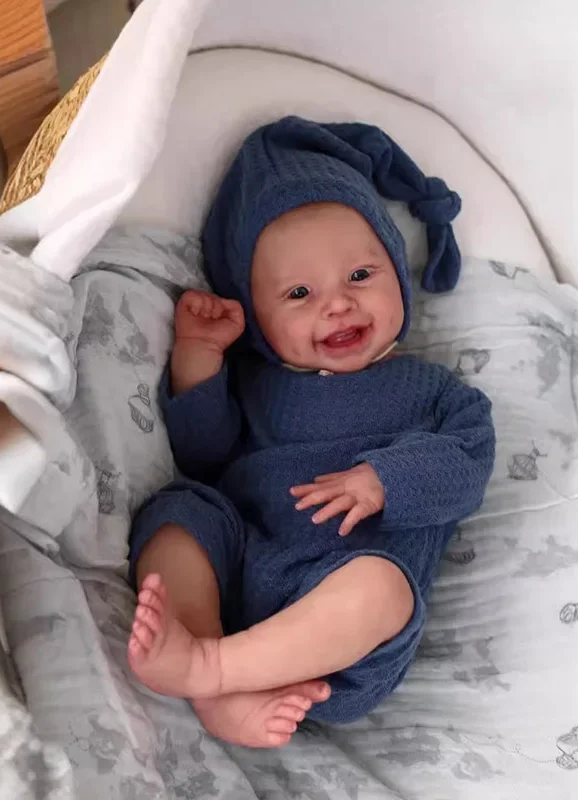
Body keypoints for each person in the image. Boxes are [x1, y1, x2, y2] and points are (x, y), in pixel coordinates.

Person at [125, 117, 496, 748]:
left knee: (382, 589)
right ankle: (213, 669)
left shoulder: (436, 393)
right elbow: (204, 454)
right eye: (299, 292)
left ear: (397, 274)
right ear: (256, 317)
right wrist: (199, 357)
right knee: (176, 512)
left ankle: (214, 669)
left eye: (361, 276)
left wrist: (384, 480)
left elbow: (468, 465)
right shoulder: (256, 381)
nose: (338, 304)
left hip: (339, 606)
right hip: (240, 561)